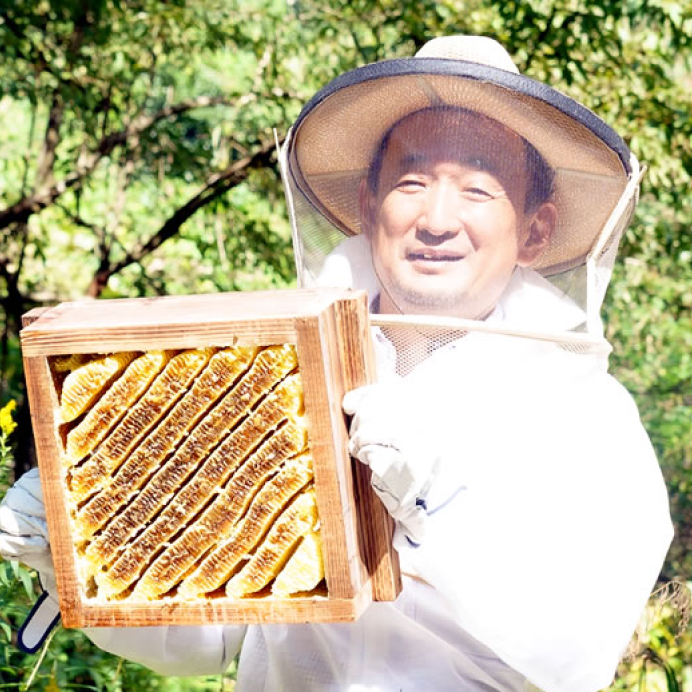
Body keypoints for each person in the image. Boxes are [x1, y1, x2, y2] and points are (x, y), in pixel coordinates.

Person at [0, 35, 673, 692]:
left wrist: (426, 513)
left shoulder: (587, 414)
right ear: (366, 206)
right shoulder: (276, 375)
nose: (436, 218)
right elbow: (214, 634)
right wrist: (75, 539)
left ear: (534, 229)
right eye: (411, 181)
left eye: (477, 190)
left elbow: (577, 652)